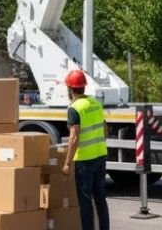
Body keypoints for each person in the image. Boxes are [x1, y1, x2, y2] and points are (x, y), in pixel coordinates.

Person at [62, 69, 109, 230]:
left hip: (84, 161)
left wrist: (67, 163)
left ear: (70, 89)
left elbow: (74, 138)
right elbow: (105, 130)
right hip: (100, 156)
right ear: (84, 87)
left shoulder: (74, 108)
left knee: (85, 201)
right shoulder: (96, 104)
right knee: (100, 199)